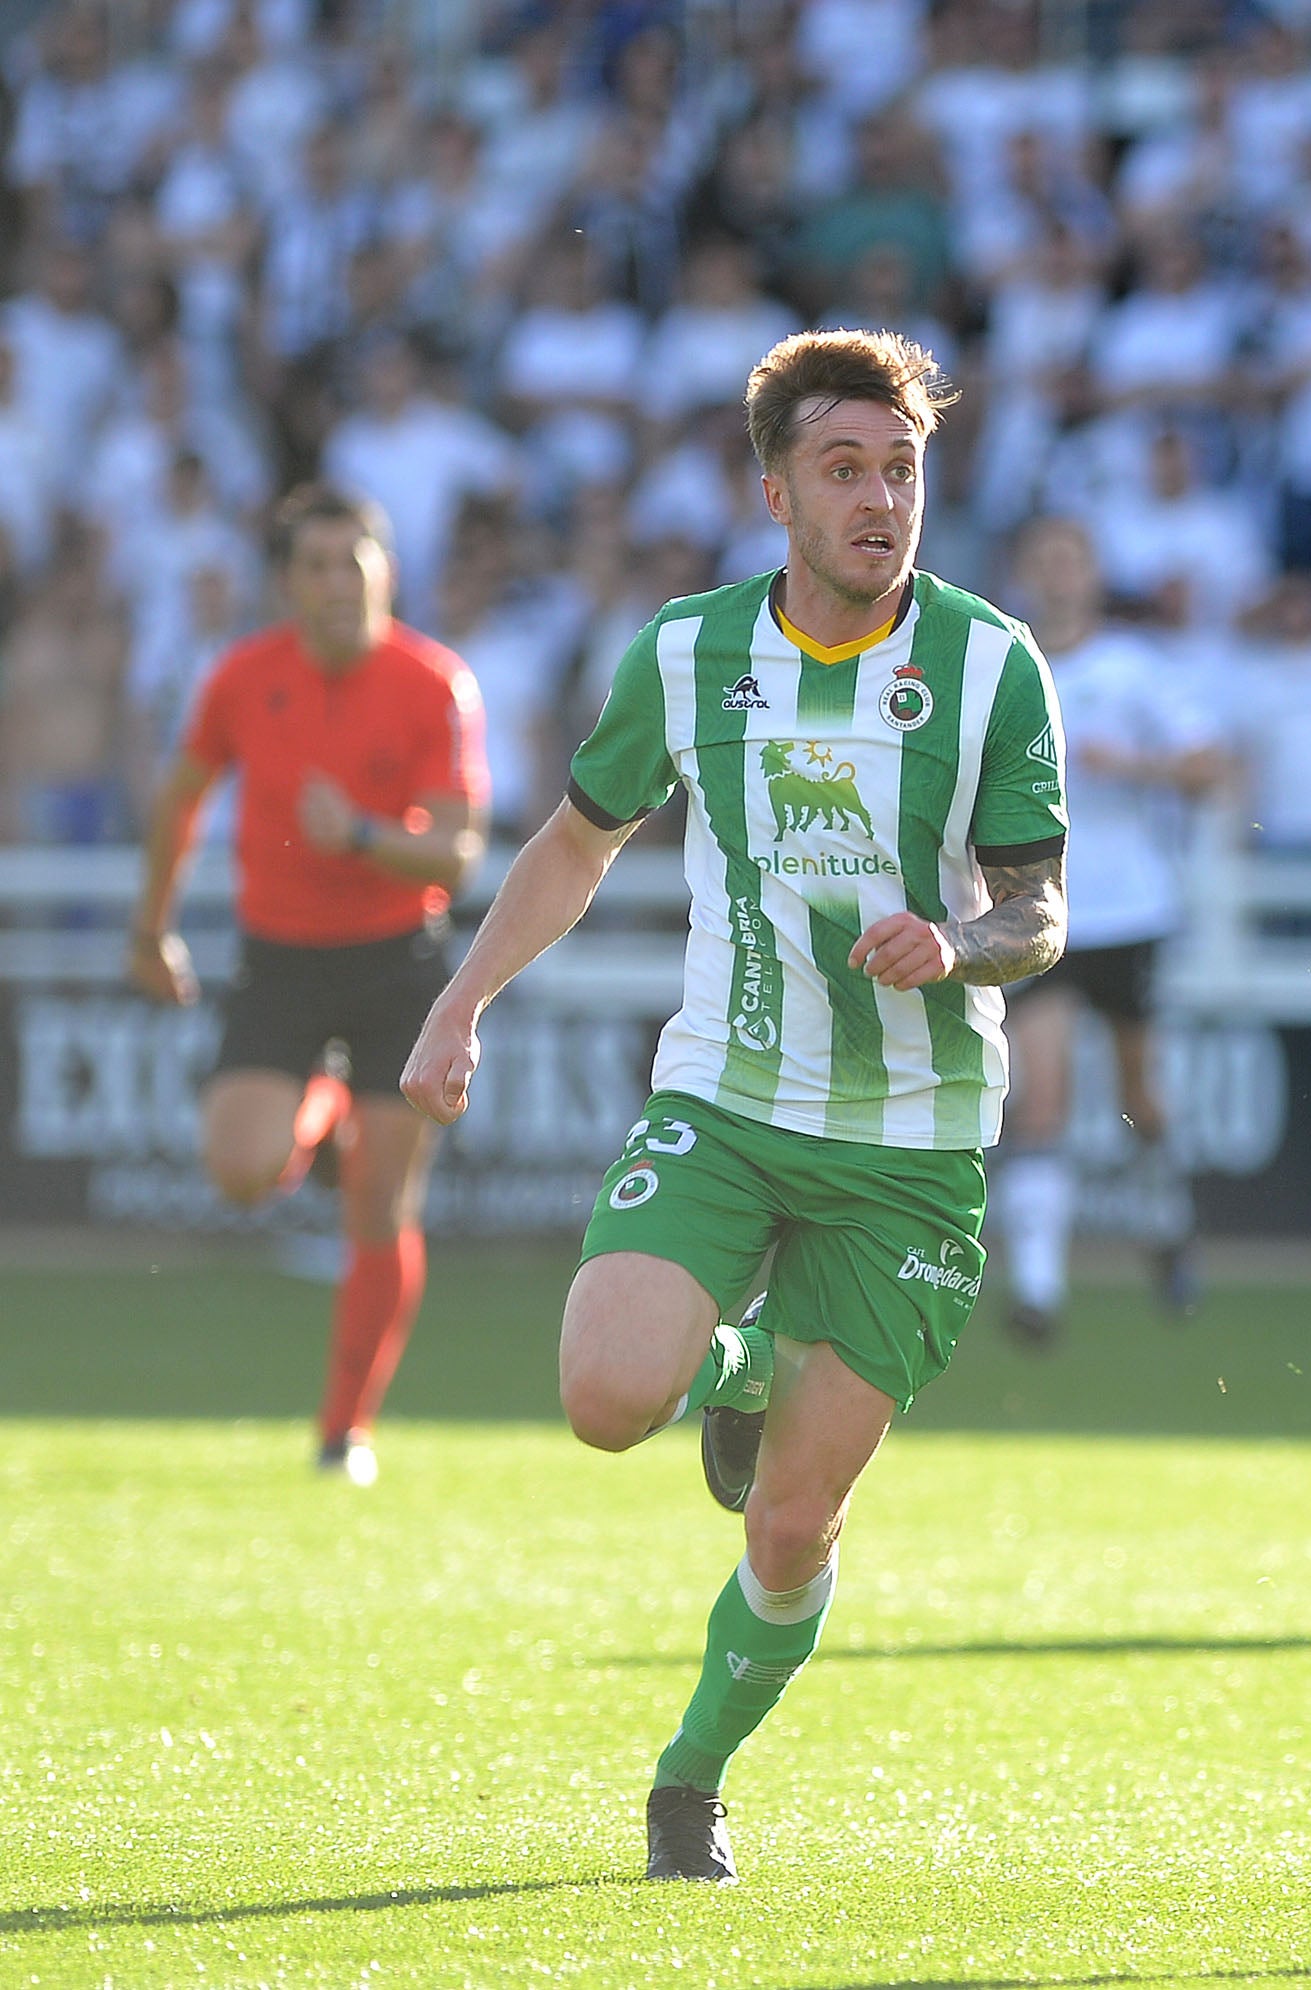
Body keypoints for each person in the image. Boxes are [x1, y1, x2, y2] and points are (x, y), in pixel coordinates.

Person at [397, 331, 1068, 1883]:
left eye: (901, 468)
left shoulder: (988, 664)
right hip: (731, 1092)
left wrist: (956, 939)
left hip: (912, 1144)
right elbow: (578, 839)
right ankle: (741, 1357)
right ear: (775, 493)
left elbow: (1039, 913)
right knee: (605, 1398)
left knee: (788, 1529)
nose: (880, 497)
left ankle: (689, 1779)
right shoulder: (691, 653)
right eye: (844, 469)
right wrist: (460, 995)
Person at [129, 484, 489, 1488]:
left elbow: (456, 859)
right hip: (279, 955)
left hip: (394, 959)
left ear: (387, 572)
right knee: (241, 1170)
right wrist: (149, 929)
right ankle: (321, 1122)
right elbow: (180, 797)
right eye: (318, 566)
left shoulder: (434, 683)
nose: (339, 583)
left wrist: (369, 836)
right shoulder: (243, 676)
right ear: (287, 583)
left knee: (380, 1208)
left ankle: (344, 1433)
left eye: (355, 562)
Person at [996, 513, 1226, 1348]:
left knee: (1140, 1098)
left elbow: (1208, 766)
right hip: (1036, 912)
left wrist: (1129, 765)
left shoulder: (1133, 670)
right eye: (1044, 560)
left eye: (1070, 561)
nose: (1058, 577)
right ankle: (1037, 1290)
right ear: (1026, 574)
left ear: (1091, 575)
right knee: (1041, 1095)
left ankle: (1166, 1231)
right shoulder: (1000, 668)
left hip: (1130, 910)